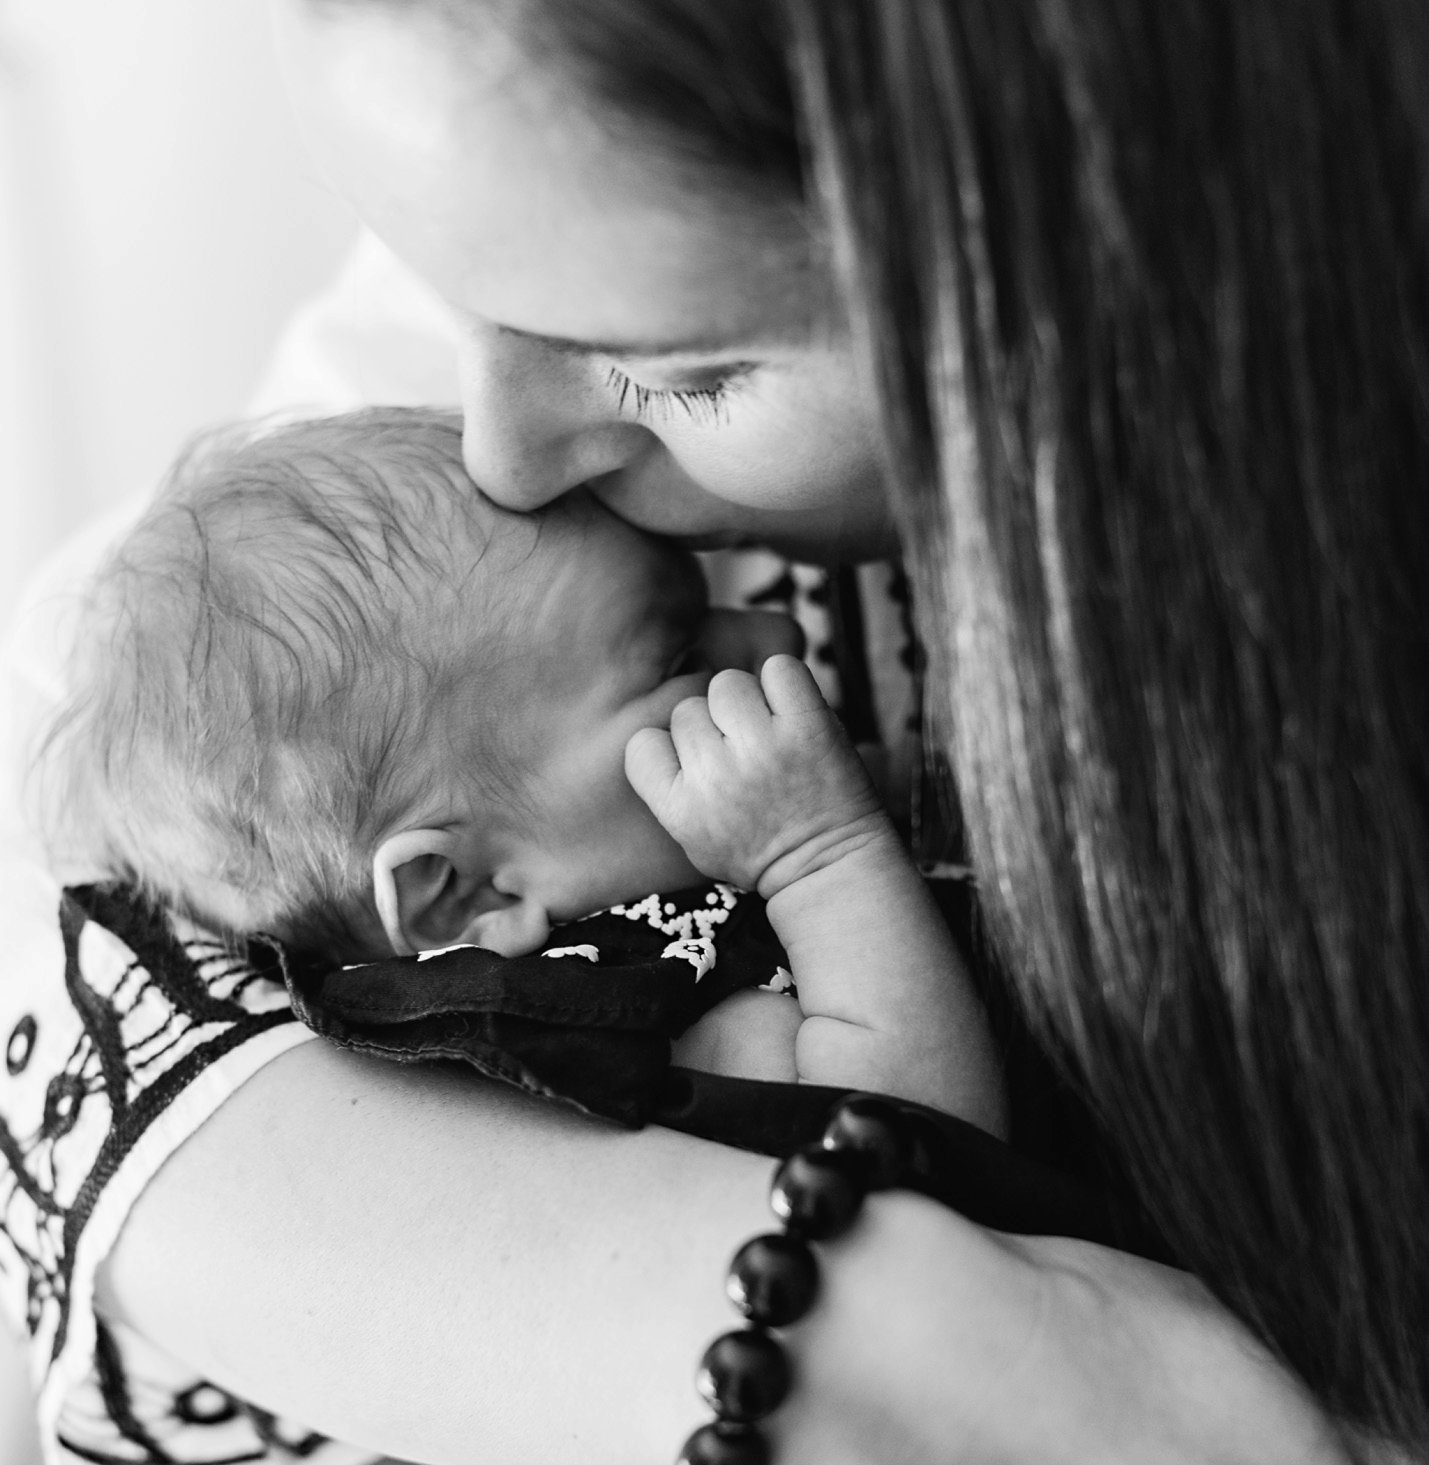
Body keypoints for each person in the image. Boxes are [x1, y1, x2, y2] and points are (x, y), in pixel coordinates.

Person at [3, 0, 1429, 1465]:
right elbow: (74, 993)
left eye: (683, 368)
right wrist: (852, 1348)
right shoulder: (546, 253)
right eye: (445, 291)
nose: (500, 451)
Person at [39, 402, 1000, 1122]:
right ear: (463, 899)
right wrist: (821, 857)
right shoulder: (613, 1019)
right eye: (680, 660)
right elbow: (929, 1154)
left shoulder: (651, 892)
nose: (776, 626)